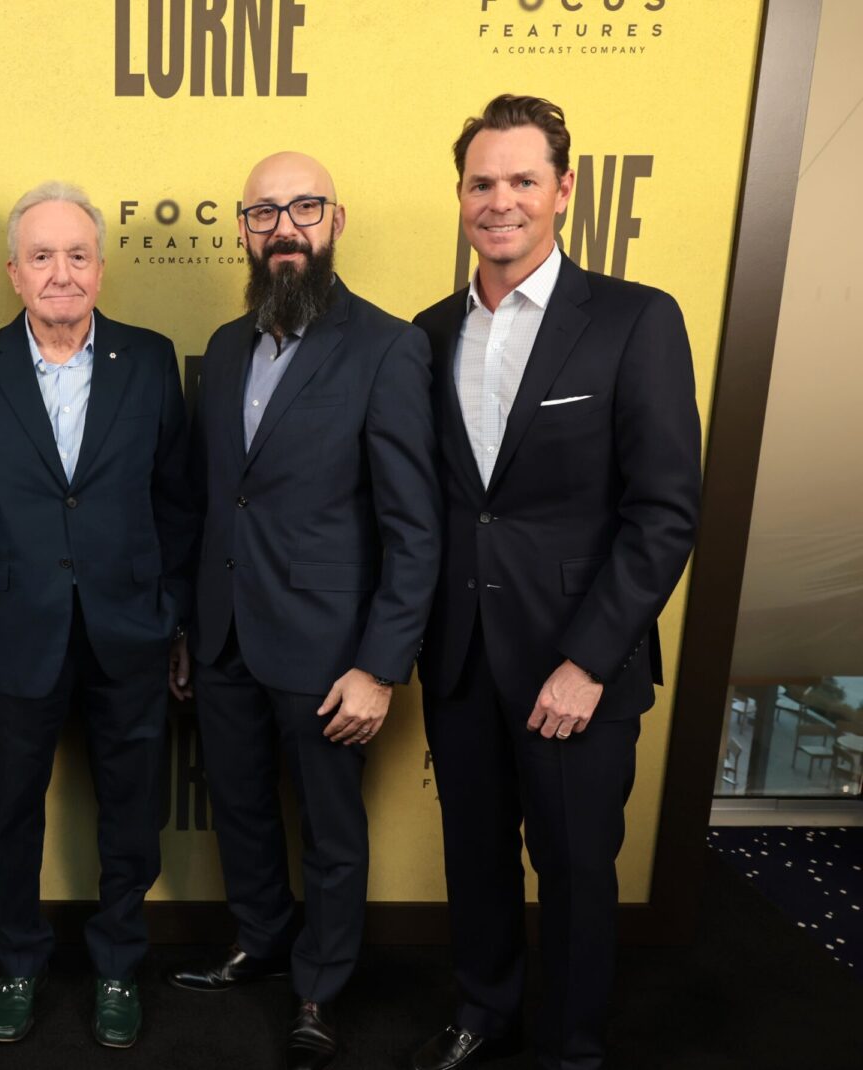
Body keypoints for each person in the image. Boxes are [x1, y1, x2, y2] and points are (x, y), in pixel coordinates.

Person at [410, 95, 701, 1070]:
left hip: (577, 658)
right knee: (477, 858)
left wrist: (587, 659)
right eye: (481, 183)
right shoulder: (429, 328)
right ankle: (483, 1009)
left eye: (522, 180)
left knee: (576, 870)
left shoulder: (635, 319)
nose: (501, 201)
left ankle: (571, 1048)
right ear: (460, 196)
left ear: (564, 189)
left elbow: (664, 510)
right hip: (458, 656)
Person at [168, 152, 441, 1070]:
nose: (284, 227)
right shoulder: (227, 344)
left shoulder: (389, 346)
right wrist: (188, 626)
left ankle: (320, 987)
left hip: (331, 652)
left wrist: (381, 663)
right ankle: (260, 940)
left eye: (304, 208)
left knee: (330, 831)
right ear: (243, 231)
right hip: (224, 634)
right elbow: (214, 502)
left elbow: (415, 524)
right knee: (240, 807)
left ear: (336, 220)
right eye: (263, 213)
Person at [0, 182, 195, 1049]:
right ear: (13, 272)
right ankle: (18, 959)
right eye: (42, 257)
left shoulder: (152, 359)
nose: (61, 273)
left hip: (131, 630)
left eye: (77, 255)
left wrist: (178, 622)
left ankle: (120, 963)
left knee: (131, 808)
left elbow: (179, 502)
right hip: (15, 633)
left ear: (101, 266)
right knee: (15, 810)